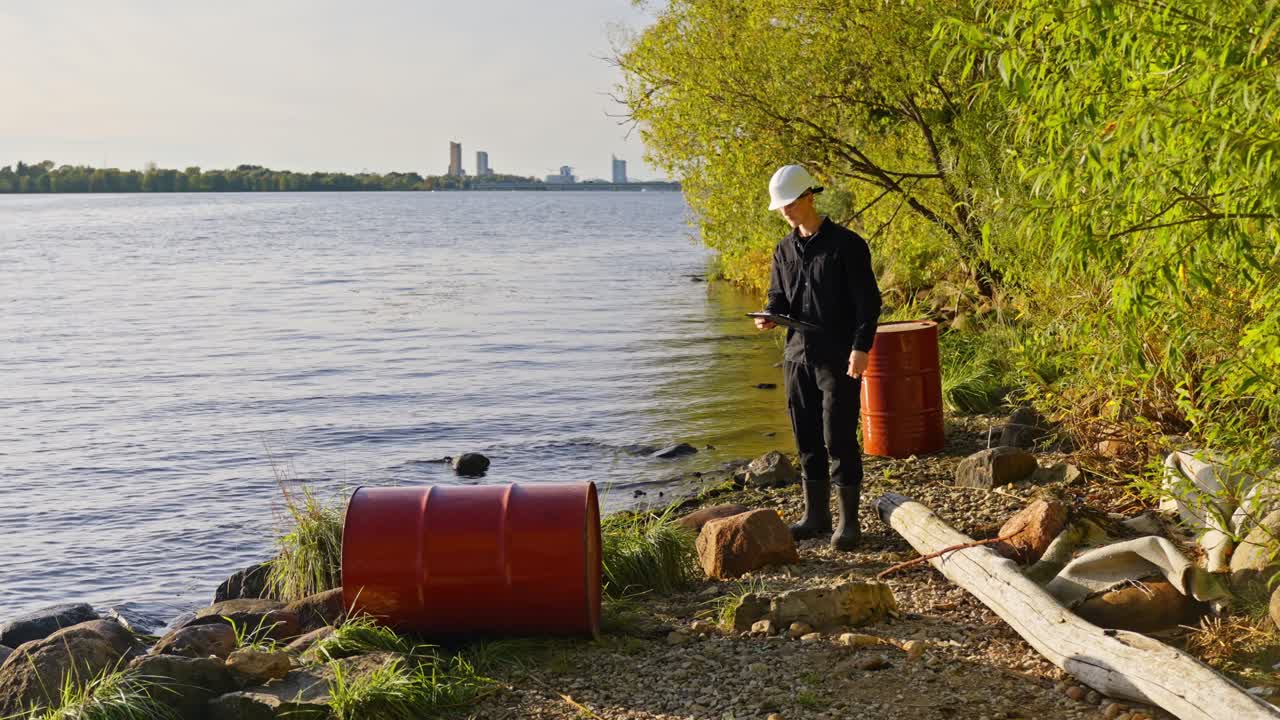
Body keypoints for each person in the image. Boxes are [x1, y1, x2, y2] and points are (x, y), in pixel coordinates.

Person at [754, 164, 881, 550]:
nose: (786, 212)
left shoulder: (847, 245)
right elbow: (779, 296)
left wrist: (861, 348)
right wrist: (768, 315)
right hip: (796, 356)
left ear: (809, 197)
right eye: (781, 207)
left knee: (838, 436)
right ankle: (815, 517)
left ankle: (849, 523)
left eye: (791, 204)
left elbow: (869, 303)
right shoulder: (783, 249)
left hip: (838, 357)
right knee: (806, 436)